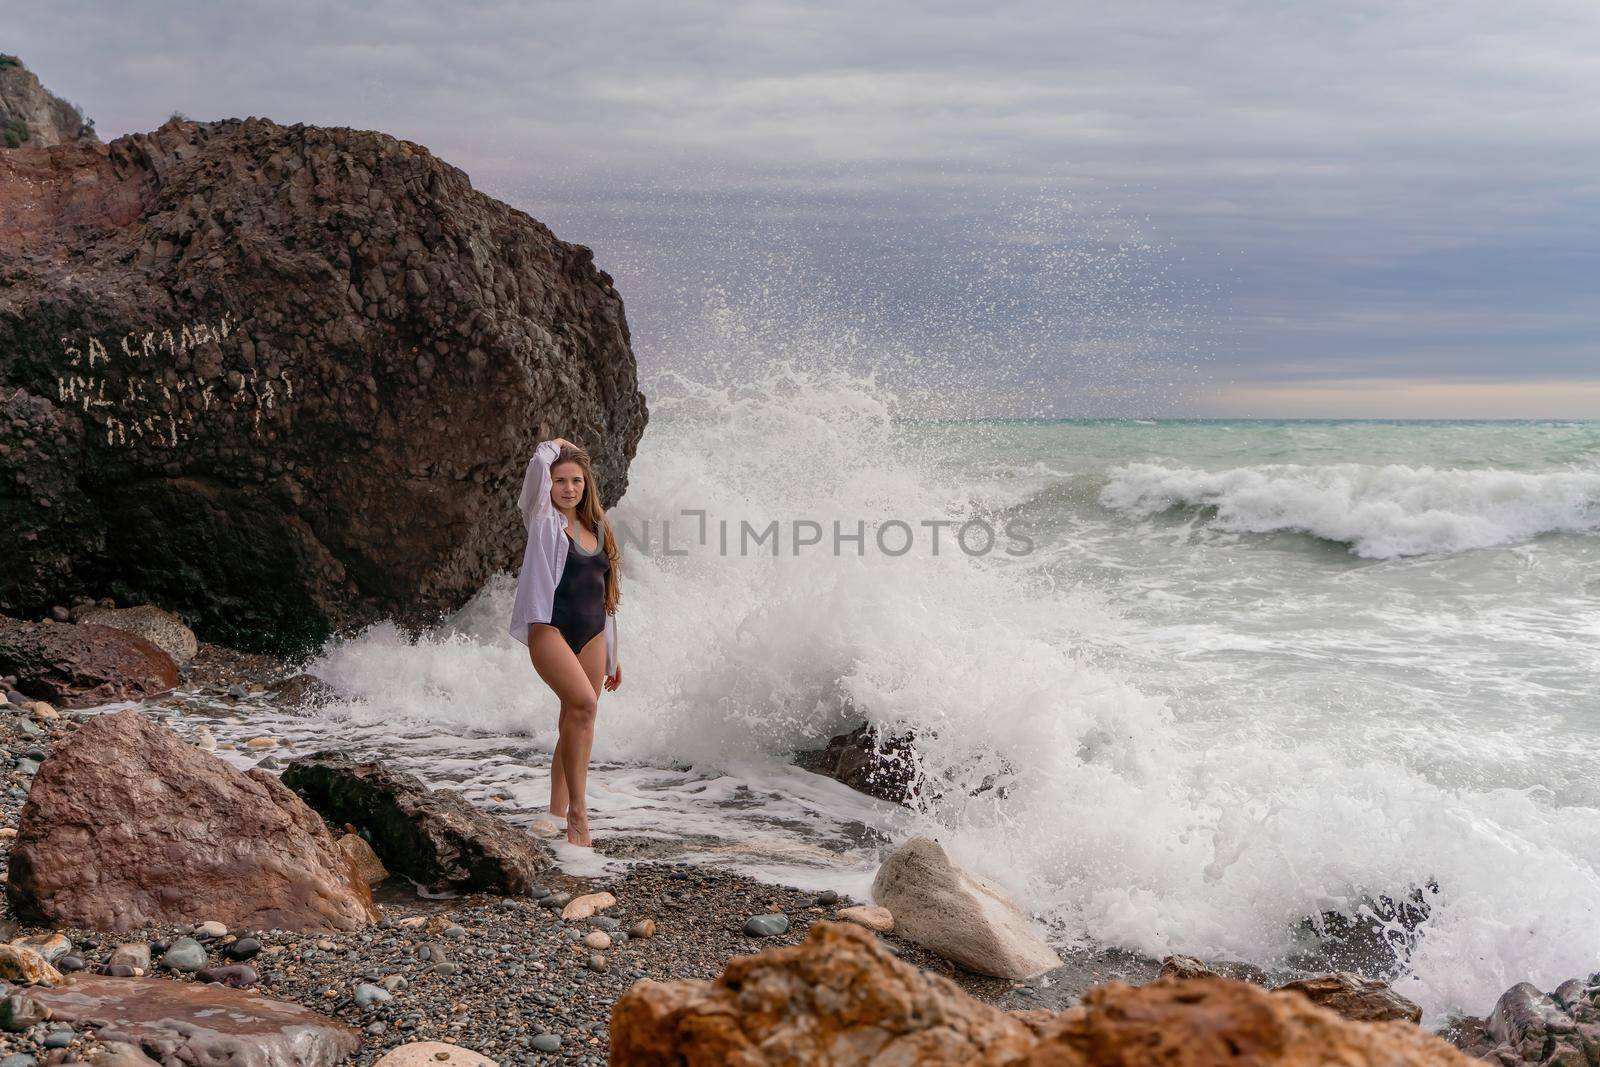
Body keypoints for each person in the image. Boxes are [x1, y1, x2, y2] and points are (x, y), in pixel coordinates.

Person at [509, 436, 622, 847]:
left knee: (576, 721)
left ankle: (555, 813)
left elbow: (606, 596)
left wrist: (613, 653)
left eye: (576, 481)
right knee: (584, 706)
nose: (568, 488)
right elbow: (536, 474)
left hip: (593, 634)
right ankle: (578, 811)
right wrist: (551, 445)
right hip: (550, 629)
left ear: (586, 485)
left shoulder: (599, 528)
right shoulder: (542, 521)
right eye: (560, 481)